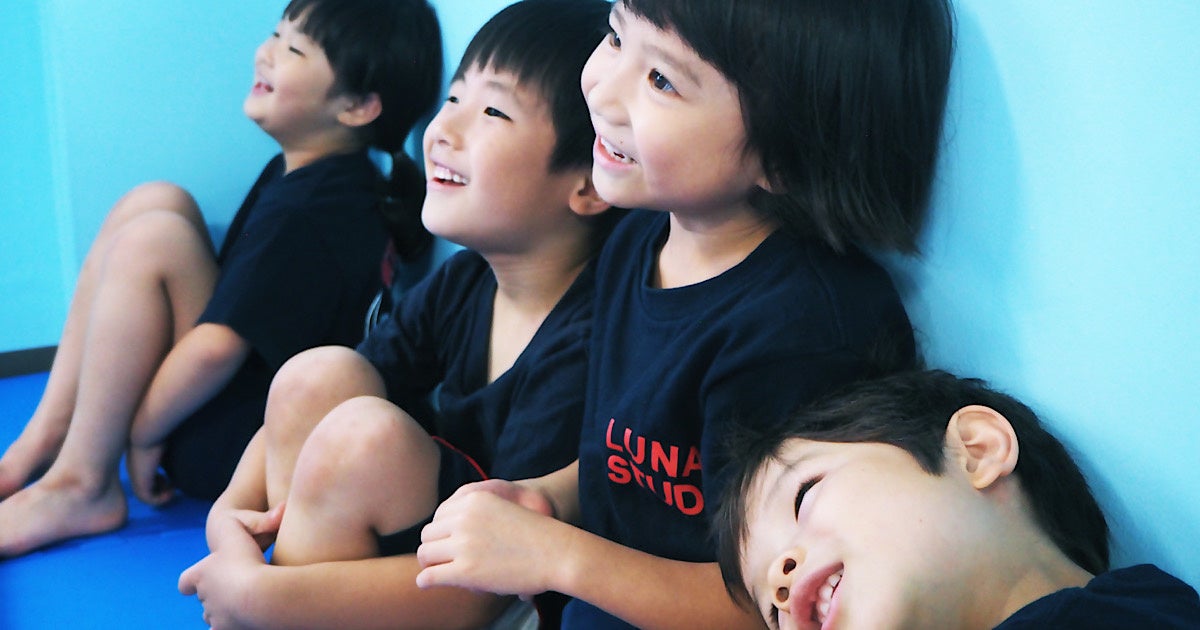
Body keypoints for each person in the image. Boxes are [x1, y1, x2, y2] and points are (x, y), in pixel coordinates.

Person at [413, 0, 956, 628]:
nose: (600, 91)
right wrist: (549, 498)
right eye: (616, 37)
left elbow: (768, 605)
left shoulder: (802, 335)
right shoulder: (637, 241)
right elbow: (628, 463)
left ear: (784, 155)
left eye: (661, 80)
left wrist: (559, 555)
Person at [177, 1, 615, 627]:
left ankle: (277, 608)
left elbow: (492, 586)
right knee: (318, 374)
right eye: (453, 98)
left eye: (492, 111)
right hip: (428, 558)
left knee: (366, 439)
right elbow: (310, 400)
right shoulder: (466, 281)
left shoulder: (589, 336)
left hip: (503, 595)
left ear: (590, 181)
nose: (442, 129)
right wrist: (230, 518)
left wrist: (259, 595)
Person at [0, 0, 442, 558]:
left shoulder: (306, 213)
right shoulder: (320, 177)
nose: (266, 53)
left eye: (294, 49)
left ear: (356, 106)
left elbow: (216, 349)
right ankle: (45, 440)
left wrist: (142, 436)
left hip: (242, 444)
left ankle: (82, 483)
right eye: (276, 34)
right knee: (156, 202)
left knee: (154, 238)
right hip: (247, 405)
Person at [715, 369, 1200, 629]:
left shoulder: (1138, 613)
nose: (780, 581)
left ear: (975, 450)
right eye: (773, 616)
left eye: (802, 498)